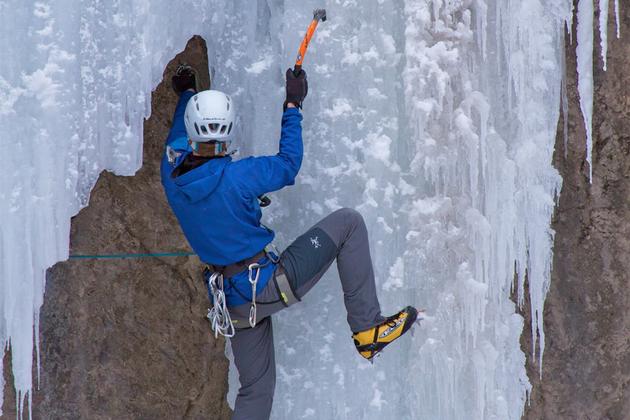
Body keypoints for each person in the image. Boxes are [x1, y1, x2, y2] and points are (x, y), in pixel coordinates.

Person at [161, 64, 418, 420]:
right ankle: (367, 328)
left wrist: (186, 92)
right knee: (349, 223)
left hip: (233, 303)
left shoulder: (171, 177)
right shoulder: (238, 176)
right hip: (266, 286)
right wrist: (293, 105)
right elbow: (287, 164)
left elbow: (178, 134)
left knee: (256, 391)